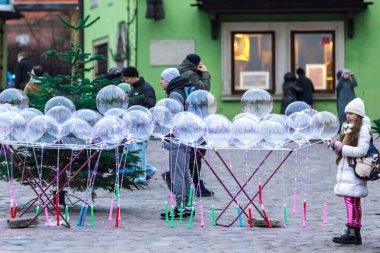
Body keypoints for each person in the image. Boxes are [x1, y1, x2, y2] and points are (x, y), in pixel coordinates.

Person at [328, 98, 371, 245]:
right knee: (353, 200)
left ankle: (352, 231)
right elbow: (343, 151)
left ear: (358, 115)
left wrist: (341, 147)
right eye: (347, 113)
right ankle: (354, 231)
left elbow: (361, 151)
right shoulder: (348, 128)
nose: (348, 116)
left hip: (355, 170)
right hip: (348, 169)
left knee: (351, 200)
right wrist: (335, 146)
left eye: (351, 113)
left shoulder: (363, 129)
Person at [159, 68, 193, 219]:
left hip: (177, 138)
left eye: (163, 79)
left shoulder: (174, 94)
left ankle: (179, 207)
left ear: (170, 79)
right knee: (185, 172)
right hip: (186, 136)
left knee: (177, 173)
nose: (160, 82)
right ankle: (187, 205)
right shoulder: (182, 90)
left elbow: (174, 117)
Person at [177, 53, 213, 196]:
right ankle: (195, 184)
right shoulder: (191, 74)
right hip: (196, 117)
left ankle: (194, 183)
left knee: (194, 152)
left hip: (191, 117)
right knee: (197, 152)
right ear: (195, 63)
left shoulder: (185, 71)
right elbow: (204, 90)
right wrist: (206, 73)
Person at [122, 66, 157, 183]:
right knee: (134, 152)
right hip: (133, 126)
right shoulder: (133, 89)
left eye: (127, 79)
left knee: (139, 152)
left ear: (133, 77)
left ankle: (140, 180)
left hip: (142, 126)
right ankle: (149, 170)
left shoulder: (146, 88)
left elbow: (151, 106)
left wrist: (139, 117)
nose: (125, 81)